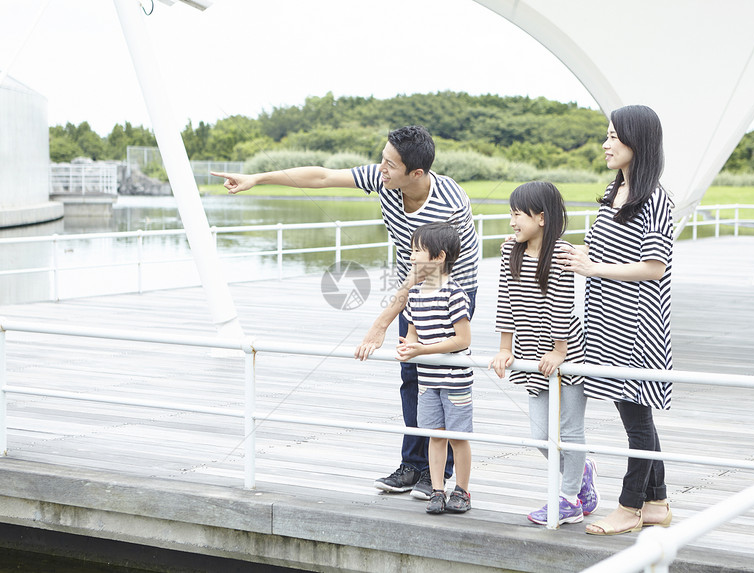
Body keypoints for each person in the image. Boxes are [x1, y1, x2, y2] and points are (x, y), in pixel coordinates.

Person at [211, 126, 479, 499]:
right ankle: (413, 464)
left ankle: (439, 474)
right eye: (382, 159)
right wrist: (258, 177)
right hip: (412, 284)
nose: (381, 168)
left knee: (440, 374)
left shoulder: (449, 203)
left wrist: (379, 325)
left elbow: (427, 275)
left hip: (451, 286)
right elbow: (320, 175)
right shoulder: (385, 177)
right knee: (410, 374)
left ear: (416, 173)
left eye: (390, 164)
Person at [556, 105, 674, 535]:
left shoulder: (656, 200)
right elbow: (603, 254)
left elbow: (653, 267)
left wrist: (593, 267)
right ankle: (657, 501)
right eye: (605, 136)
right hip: (608, 320)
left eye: (613, 136)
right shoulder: (614, 192)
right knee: (635, 412)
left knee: (636, 418)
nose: (606, 144)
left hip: (638, 325)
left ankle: (630, 506)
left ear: (636, 142)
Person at [489, 181, 598, 526]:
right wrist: (505, 347)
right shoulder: (511, 252)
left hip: (566, 350)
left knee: (569, 429)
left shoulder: (562, 253)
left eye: (517, 215)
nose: (512, 222)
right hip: (530, 352)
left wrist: (559, 351)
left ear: (540, 217)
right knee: (539, 435)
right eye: (511, 214)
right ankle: (581, 473)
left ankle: (568, 500)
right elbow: (505, 299)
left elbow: (562, 306)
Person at [395, 222, 473, 514]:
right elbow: (413, 332)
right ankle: (438, 490)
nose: (412, 256)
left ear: (439, 257)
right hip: (428, 379)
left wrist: (423, 350)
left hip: (455, 380)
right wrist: (407, 347)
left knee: (458, 437)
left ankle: (463, 490)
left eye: (418, 250)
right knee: (435, 435)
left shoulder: (454, 292)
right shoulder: (414, 295)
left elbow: (462, 339)